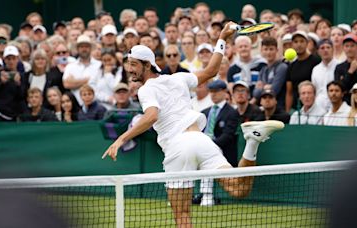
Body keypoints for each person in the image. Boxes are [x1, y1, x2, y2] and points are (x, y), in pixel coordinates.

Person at [102, 23, 284, 227]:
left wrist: (121, 138)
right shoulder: (179, 78)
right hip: (201, 140)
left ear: (147, 65)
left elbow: (152, 116)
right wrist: (222, 38)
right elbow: (212, 71)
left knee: (183, 217)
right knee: (239, 189)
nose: (129, 69)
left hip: (178, 147)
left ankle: (252, 141)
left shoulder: (146, 89)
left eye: (134, 64)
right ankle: (252, 142)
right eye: (128, 64)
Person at [197, 80, 240, 206]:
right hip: (202, 146)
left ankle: (207, 195)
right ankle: (181, 194)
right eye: (211, 91)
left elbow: (228, 135)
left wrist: (210, 146)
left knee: (207, 156)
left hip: (220, 149)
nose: (213, 94)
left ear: (224, 92)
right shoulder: (204, 112)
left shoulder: (232, 112)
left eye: (216, 91)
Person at [285, 31, 320, 112]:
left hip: (313, 107)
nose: (299, 44)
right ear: (292, 45)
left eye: (302, 41)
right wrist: (288, 111)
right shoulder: (291, 66)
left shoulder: (316, 61)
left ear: (307, 43)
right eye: (296, 42)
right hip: (295, 108)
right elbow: (289, 92)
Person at [63, 35, 101, 105]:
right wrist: (86, 80)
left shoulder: (99, 65)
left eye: (86, 46)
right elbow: (67, 84)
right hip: (76, 106)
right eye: (81, 47)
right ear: (77, 49)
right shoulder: (70, 66)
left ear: (90, 48)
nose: (84, 49)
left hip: (96, 104)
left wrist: (75, 82)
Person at [0, 46, 24, 121]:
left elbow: (22, 97)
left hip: (11, 116)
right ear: (4, 60)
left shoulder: (22, 76)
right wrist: (1, 83)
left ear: (17, 59)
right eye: (8, 59)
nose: (11, 61)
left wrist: (18, 84)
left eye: (13, 58)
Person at [253, 37, 288, 109]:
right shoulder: (263, 69)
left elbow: (274, 90)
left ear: (276, 50)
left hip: (279, 108)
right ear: (262, 51)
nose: (268, 52)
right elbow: (256, 93)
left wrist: (262, 86)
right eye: (266, 49)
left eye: (271, 49)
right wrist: (266, 87)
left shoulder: (282, 67)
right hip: (264, 109)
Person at [311, 39, 337, 111]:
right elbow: (315, 90)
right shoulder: (315, 69)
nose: (325, 50)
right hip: (319, 107)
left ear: (333, 49)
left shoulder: (339, 66)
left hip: (335, 107)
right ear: (318, 51)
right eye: (322, 48)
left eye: (328, 47)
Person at [334, 33, 357, 105]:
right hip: (345, 104)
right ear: (343, 48)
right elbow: (339, 88)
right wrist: (350, 71)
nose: (349, 49)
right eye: (347, 46)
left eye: (352, 46)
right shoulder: (339, 67)